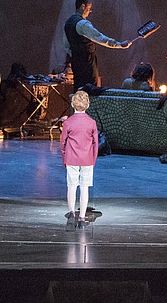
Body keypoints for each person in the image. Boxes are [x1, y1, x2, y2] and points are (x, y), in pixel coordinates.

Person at [63, 0, 132, 89]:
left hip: (76, 61)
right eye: (89, 8)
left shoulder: (68, 22)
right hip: (87, 61)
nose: (90, 11)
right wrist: (119, 44)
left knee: (79, 88)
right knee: (90, 88)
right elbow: (100, 38)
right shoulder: (83, 24)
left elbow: (66, 45)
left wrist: (75, 55)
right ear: (83, 6)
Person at [60, 90, 98, 230]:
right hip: (87, 159)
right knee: (84, 188)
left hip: (71, 158)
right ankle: (82, 218)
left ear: (72, 104)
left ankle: (71, 214)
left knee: (71, 186)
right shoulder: (92, 123)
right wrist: (93, 160)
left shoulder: (68, 123)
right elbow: (95, 143)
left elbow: (63, 143)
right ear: (87, 105)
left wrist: (64, 158)